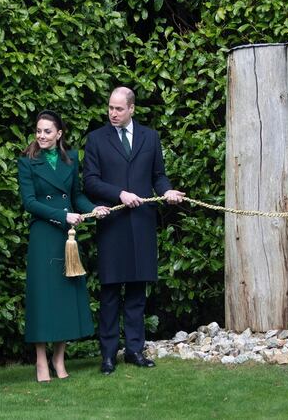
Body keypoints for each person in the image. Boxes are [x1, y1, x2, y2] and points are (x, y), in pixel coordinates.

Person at [82, 87, 185, 375]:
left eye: (118, 109)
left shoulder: (150, 137)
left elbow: (158, 175)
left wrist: (167, 192)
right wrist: (120, 194)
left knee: (138, 292)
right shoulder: (96, 139)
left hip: (141, 223)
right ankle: (108, 355)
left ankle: (135, 351)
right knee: (111, 293)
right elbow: (90, 181)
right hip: (113, 224)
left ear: (132, 109)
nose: (112, 113)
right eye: (110, 108)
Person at [17, 110, 109, 382]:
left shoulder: (71, 161)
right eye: (38, 131)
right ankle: (41, 361)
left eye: (47, 131)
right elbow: (29, 202)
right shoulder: (27, 162)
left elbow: (76, 195)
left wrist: (94, 209)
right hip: (45, 234)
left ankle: (59, 358)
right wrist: (62, 215)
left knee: (65, 299)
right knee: (43, 299)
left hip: (67, 238)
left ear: (59, 134)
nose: (41, 136)